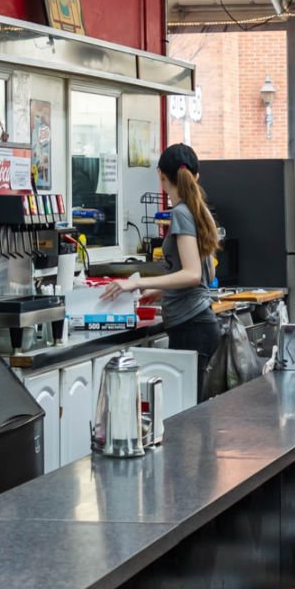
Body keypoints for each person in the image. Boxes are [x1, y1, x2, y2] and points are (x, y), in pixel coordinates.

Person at [101, 143, 220, 400]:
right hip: (198, 324)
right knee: (192, 412)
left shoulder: (181, 214)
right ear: (195, 177)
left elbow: (192, 274)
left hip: (192, 327)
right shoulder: (198, 212)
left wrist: (135, 284)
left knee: (186, 416)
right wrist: (158, 289)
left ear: (161, 176)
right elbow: (201, 276)